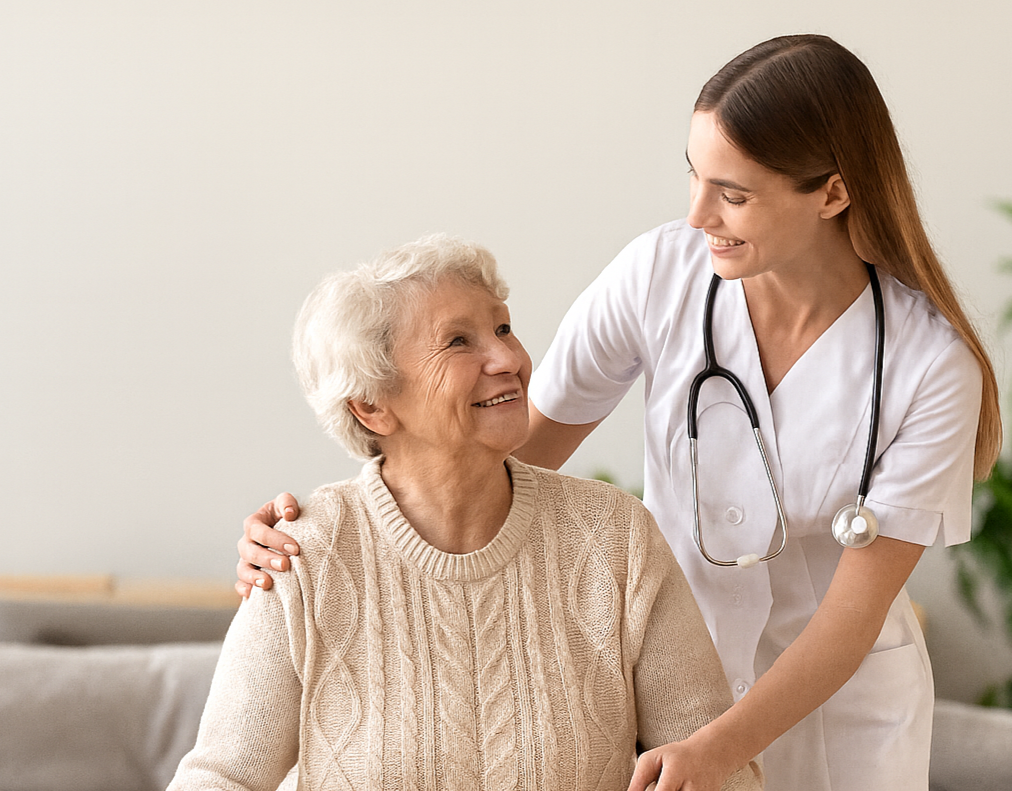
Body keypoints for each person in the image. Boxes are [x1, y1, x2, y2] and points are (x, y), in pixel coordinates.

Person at [236, 35, 999, 791]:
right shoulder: (659, 275)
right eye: (696, 177)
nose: (699, 214)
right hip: (675, 687)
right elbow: (503, 452)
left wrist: (714, 748)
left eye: (733, 194)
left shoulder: (933, 367)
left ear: (831, 193)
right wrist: (325, 539)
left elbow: (851, 619)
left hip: (844, 713)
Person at [169, 236, 762, 790]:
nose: (507, 357)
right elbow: (222, 776)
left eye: (504, 328)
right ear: (373, 405)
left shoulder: (614, 539)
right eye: (459, 341)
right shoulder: (304, 555)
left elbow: (719, 768)